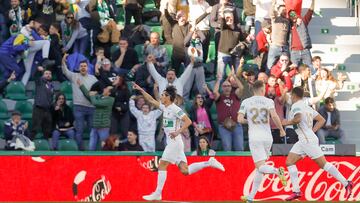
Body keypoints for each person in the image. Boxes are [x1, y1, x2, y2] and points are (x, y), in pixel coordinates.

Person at [132, 84, 225, 201]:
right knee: (185, 170)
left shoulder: (175, 109)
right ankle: (209, 163)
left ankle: (158, 193)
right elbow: (150, 99)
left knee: (162, 164)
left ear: (168, 97)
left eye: (163, 95)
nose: (161, 96)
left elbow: (188, 121)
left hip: (174, 142)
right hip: (174, 143)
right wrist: (141, 89)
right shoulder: (164, 107)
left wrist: (178, 132)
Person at [281, 87, 353, 201]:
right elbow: (322, 120)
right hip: (305, 139)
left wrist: (286, 122)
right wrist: (312, 132)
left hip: (307, 140)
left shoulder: (296, 106)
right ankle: (296, 191)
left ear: (293, 95)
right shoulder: (307, 107)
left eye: (291, 96)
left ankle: (346, 183)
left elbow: (298, 118)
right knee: (289, 162)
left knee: (324, 164)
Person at [238, 80, 287, 202]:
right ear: (261, 89)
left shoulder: (246, 102)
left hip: (255, 137)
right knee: (260, 167)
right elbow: (274, 116)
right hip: (267, 137)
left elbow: (239, 119)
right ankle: (251, 197)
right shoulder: (269, 101)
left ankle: (277, 171)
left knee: (260, 167)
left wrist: (248, 121)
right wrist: (281, 129)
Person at [62, 53, 98, 150]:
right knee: (79, 131)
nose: (83, 68)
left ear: (87, 68)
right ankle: (80, 151)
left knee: (92, 130)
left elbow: (97, 91)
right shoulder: (74, 76)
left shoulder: (93, 78)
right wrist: (63, 61)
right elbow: (65, 71)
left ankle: (92, 150)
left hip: (91, 108)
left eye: (85, 66)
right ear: (78, 67)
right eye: (81, 66)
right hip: (78, 107)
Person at [31, 69, 54, 140]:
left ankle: (47, 147)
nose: (48, 75)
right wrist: (38, 71)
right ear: (43, 75)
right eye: (46, 73)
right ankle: (28, 145)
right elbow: (36, 76)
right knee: (35, 128)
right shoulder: (40, 82)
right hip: (38, 108)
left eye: (50, 73)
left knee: (47, 129)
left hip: (47, 109)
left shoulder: (51, 85)